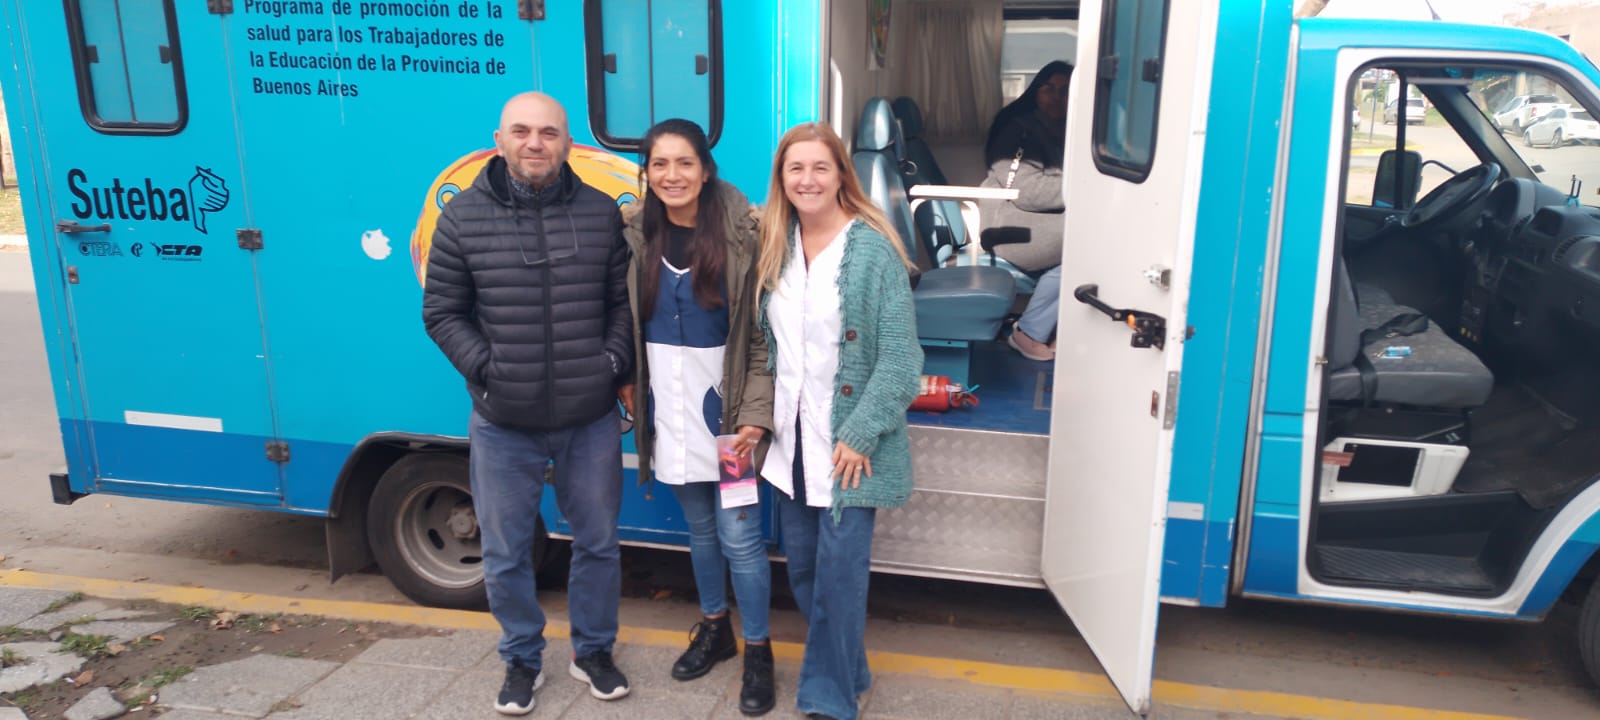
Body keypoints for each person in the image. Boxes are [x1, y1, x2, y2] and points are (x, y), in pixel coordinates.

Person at [422, 91, 634, 716]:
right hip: (503, 422)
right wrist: (489, 370)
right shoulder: (462, 218)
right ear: (500, 140)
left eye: (548, 132)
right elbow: (442, 312)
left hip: (588, 418)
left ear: (567, 143)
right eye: (521, 131)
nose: (534, 143)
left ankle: (593, 651)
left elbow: (622, 305)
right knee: (505, 550)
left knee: (598, 542)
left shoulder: (600, 213)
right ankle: (521, 657)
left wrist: (610, 364)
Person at [755, 122, 924, 720]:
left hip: (850, 449)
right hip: (792, 444)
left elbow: (902, 360)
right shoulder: (774, 244)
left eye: (820, 167)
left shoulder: (872, 250)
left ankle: (828, 698)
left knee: (838, 577)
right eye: (795, 168)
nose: (808, 179)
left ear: (840, 176)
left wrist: (860, 433)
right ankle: (851, 670)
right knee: (804, 572)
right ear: (782, 178)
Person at [617, 118, 777, 716]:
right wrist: (627, 381)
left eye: (684, 162)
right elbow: (622, 318)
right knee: (701, 530)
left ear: (705, 170)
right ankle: (716, 629)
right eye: (659, 164)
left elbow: (762, 336)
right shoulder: (635, 233)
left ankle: (758, 649)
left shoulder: (743, 235)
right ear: (647, 172)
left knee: (740, 535)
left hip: (729, 419)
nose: (672, 175)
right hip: (670, 413)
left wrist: (755, 413)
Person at [979, 61, 1072, 361]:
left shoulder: (1066, 130)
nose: (1056, 97)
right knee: (1091, 244)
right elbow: (1028, 192)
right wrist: (1083, 190)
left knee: (1097, 246)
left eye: (1065, 91)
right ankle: (1030, 332)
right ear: (1035, 92)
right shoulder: (1017, 131)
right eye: (1048, 89)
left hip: (1039, 224)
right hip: (1009, 228)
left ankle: (1047, 328)